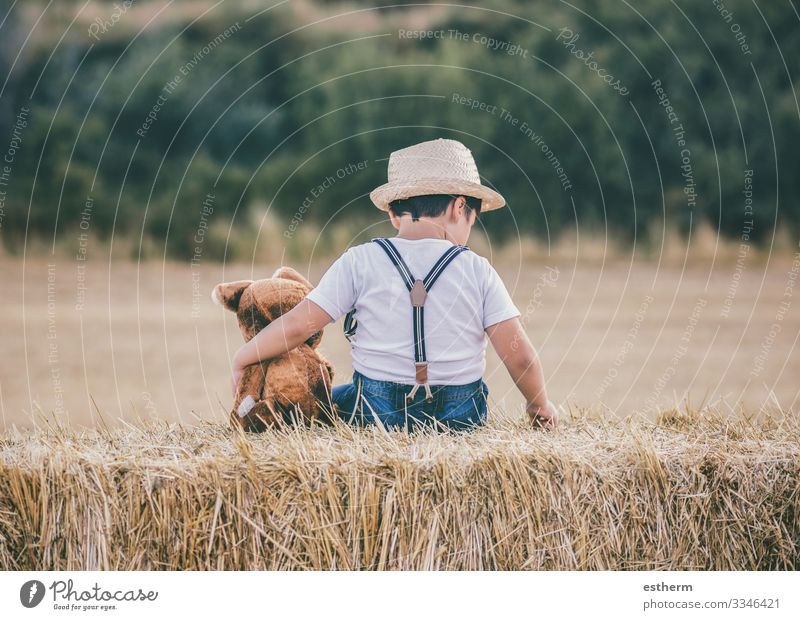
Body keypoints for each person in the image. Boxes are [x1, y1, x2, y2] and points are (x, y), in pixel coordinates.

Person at [230, 138, 559, 431]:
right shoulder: (478, 270)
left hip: (376, 409)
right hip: (461, 413)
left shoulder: (359, 261)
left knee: (326, 401)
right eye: (473, 217)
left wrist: (244, 358)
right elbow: (519, 355)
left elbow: (298, 326)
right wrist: (538, 404)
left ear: (392, 213)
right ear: (461, 207)